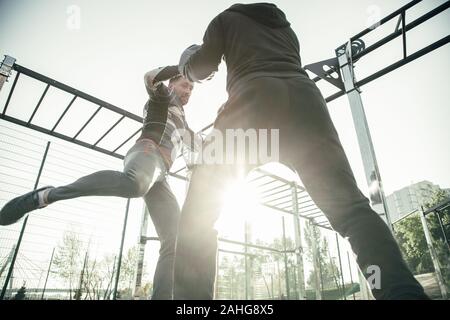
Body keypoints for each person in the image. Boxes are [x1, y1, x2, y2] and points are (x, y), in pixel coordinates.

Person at [173, 3, 428, 299]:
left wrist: (186, 66)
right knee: (351, 211)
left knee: (197, 217)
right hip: (305, 105)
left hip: (254, 103)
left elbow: (202, 67)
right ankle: (399, 291)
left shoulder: (224, 20)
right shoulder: (284, 26)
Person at [0, 65, 195, 300]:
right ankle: (46, 195)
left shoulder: (184, 123)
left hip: (160, 173)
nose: (188, 91)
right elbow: (150, 78)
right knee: (134, 185)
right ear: (172, 84)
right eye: (185, 84)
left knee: (175, 238)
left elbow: (202, 147)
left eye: (192, 88)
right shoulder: (163, 96)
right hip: (146, 152)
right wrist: (184, 65)